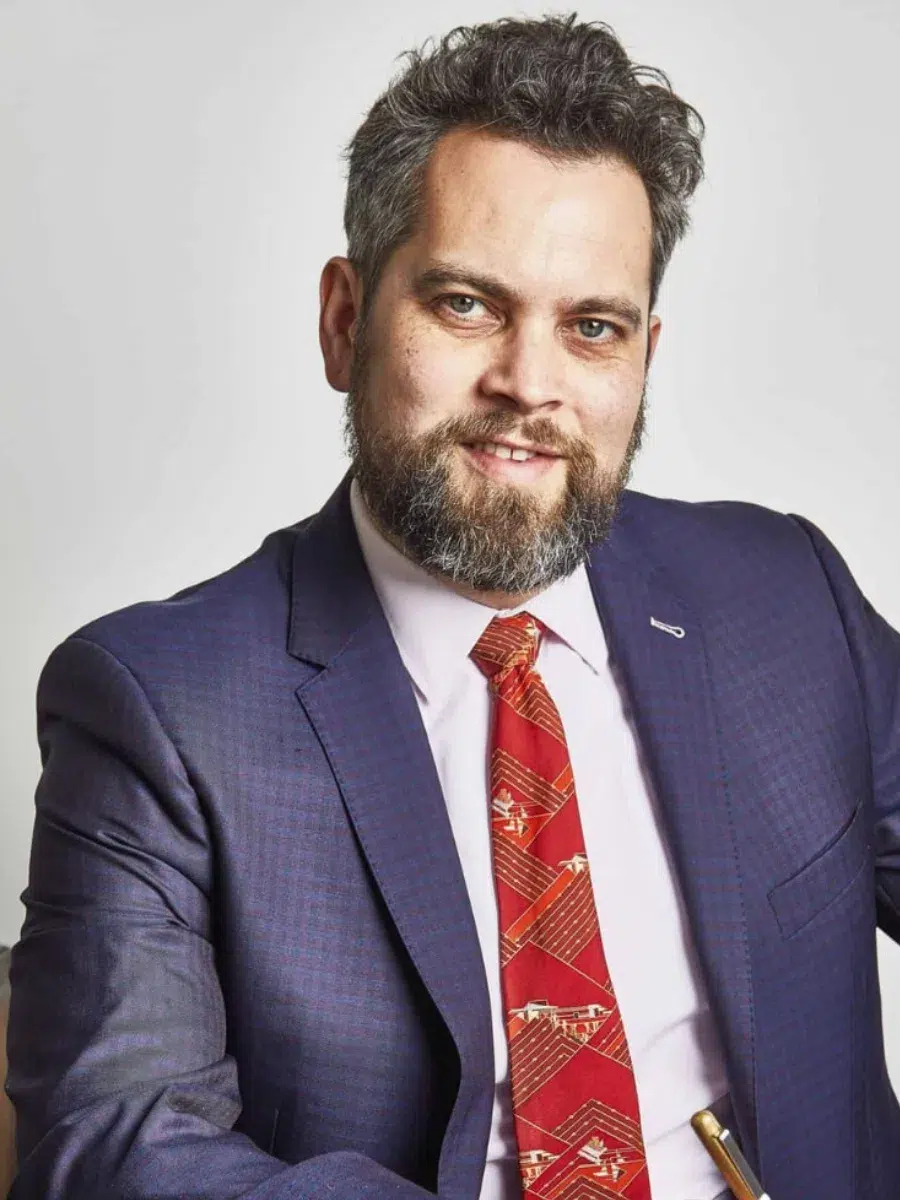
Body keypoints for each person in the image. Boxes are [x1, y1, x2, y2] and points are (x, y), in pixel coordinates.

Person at [5, 12, 899, 1200]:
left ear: (643, 356)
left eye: (593, 328)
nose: (529, 387)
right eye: (468, 304)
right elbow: (113, 1144)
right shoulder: (160, 705)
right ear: (345, 320)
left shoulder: (788, 599)